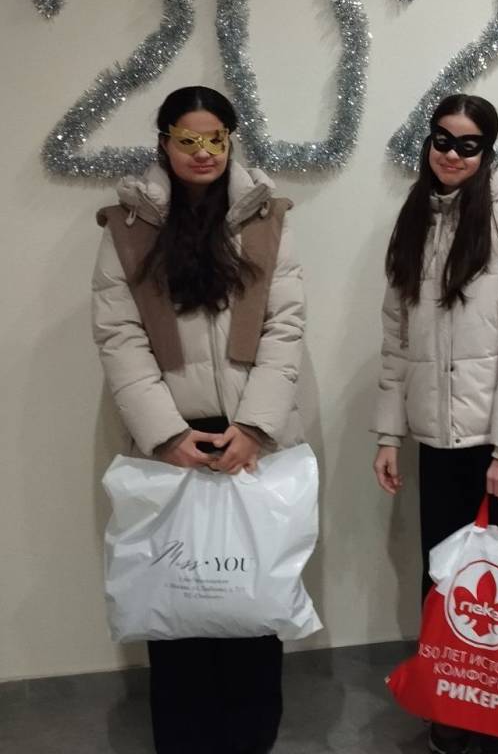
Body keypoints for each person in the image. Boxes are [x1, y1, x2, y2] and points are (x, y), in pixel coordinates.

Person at [91, 86, 306, 754]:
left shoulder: (266, 216)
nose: (203, 152)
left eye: (216, 138)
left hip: (252, 438)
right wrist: (166, 434)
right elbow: (119, 337)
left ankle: (250, 740)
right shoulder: (128, 226)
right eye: (188, 139)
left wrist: (256, 428)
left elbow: (285, 327)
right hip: (169, 441)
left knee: (250, 602)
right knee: (177, 602)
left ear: (231, 139)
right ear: (164, 142)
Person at [372, 94, 498, 754]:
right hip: (438, 441)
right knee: (446, 584)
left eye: (468, 144)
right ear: (428, 142)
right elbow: (396, 339)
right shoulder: (413, 221)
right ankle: (452, 709)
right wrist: (388, 433)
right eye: (442, 140)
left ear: (487, 151)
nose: (452, 154)